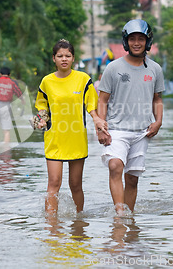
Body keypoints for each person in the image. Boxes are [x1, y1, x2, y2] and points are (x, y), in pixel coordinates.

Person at [97, 19, 164, 214]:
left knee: (133, 179)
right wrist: (101, 128)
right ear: (126, 42)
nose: (136, 43)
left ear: (147, 41)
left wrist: (158, 122)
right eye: (132, 39)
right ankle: (120, 216)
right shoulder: (113, 68)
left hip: (142, 132)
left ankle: (130, 219)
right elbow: (102, 100)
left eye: (140, 39)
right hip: (116, 129)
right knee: (115, 166)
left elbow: (157, 99)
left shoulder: (155, 69)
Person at [34, 39, 108, 215]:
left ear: (73, 58)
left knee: (75, 184)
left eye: (68, 55)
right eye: (60, 56)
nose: (64, 59)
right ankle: (51, 224)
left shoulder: (83, 79)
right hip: (54, 138)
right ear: (54, 58)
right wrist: (41, 119)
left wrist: (97, 119)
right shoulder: (46, 82)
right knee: (54, 182)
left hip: (76, 138)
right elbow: (41, 106)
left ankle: (79, 220)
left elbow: (91, 104)